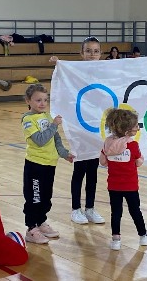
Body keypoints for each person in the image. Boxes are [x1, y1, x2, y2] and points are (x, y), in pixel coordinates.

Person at [50, 36, 106, 225]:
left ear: (100, 54)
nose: (92, 54)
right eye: (88, 51)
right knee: (80, 168)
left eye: (96, 51)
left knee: (93, 171)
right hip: (79, 127)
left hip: (96, 127)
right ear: (82, 53)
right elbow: (65, 86)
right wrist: (59, 65)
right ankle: (76, 209)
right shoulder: (74, 72)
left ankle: (90, 208)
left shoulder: (105, 73)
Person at [21, 83, 75, 244]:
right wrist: (53, 125)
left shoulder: (47, 116)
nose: (43, 103)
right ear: (28, 101)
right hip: (35, 165)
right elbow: (40, 140)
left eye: (45, 100)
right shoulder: (28, 120)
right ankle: (31, 228)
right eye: (38, 100)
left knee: (46, 197)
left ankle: (41, 222)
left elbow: (55, 138)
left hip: (50, 164)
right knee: (34, 197)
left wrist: (64, 153)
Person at [99, 108, 147, 250]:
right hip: (130, 186)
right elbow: (139, 162)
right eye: (135, 126)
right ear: (127, 130)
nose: (137, 128)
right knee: (135, 210)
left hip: (114, 185)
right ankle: (143, 236)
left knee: (116, 212)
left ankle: (116, 240)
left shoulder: (107, 143)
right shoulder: (133, 145)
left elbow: (103, 162)